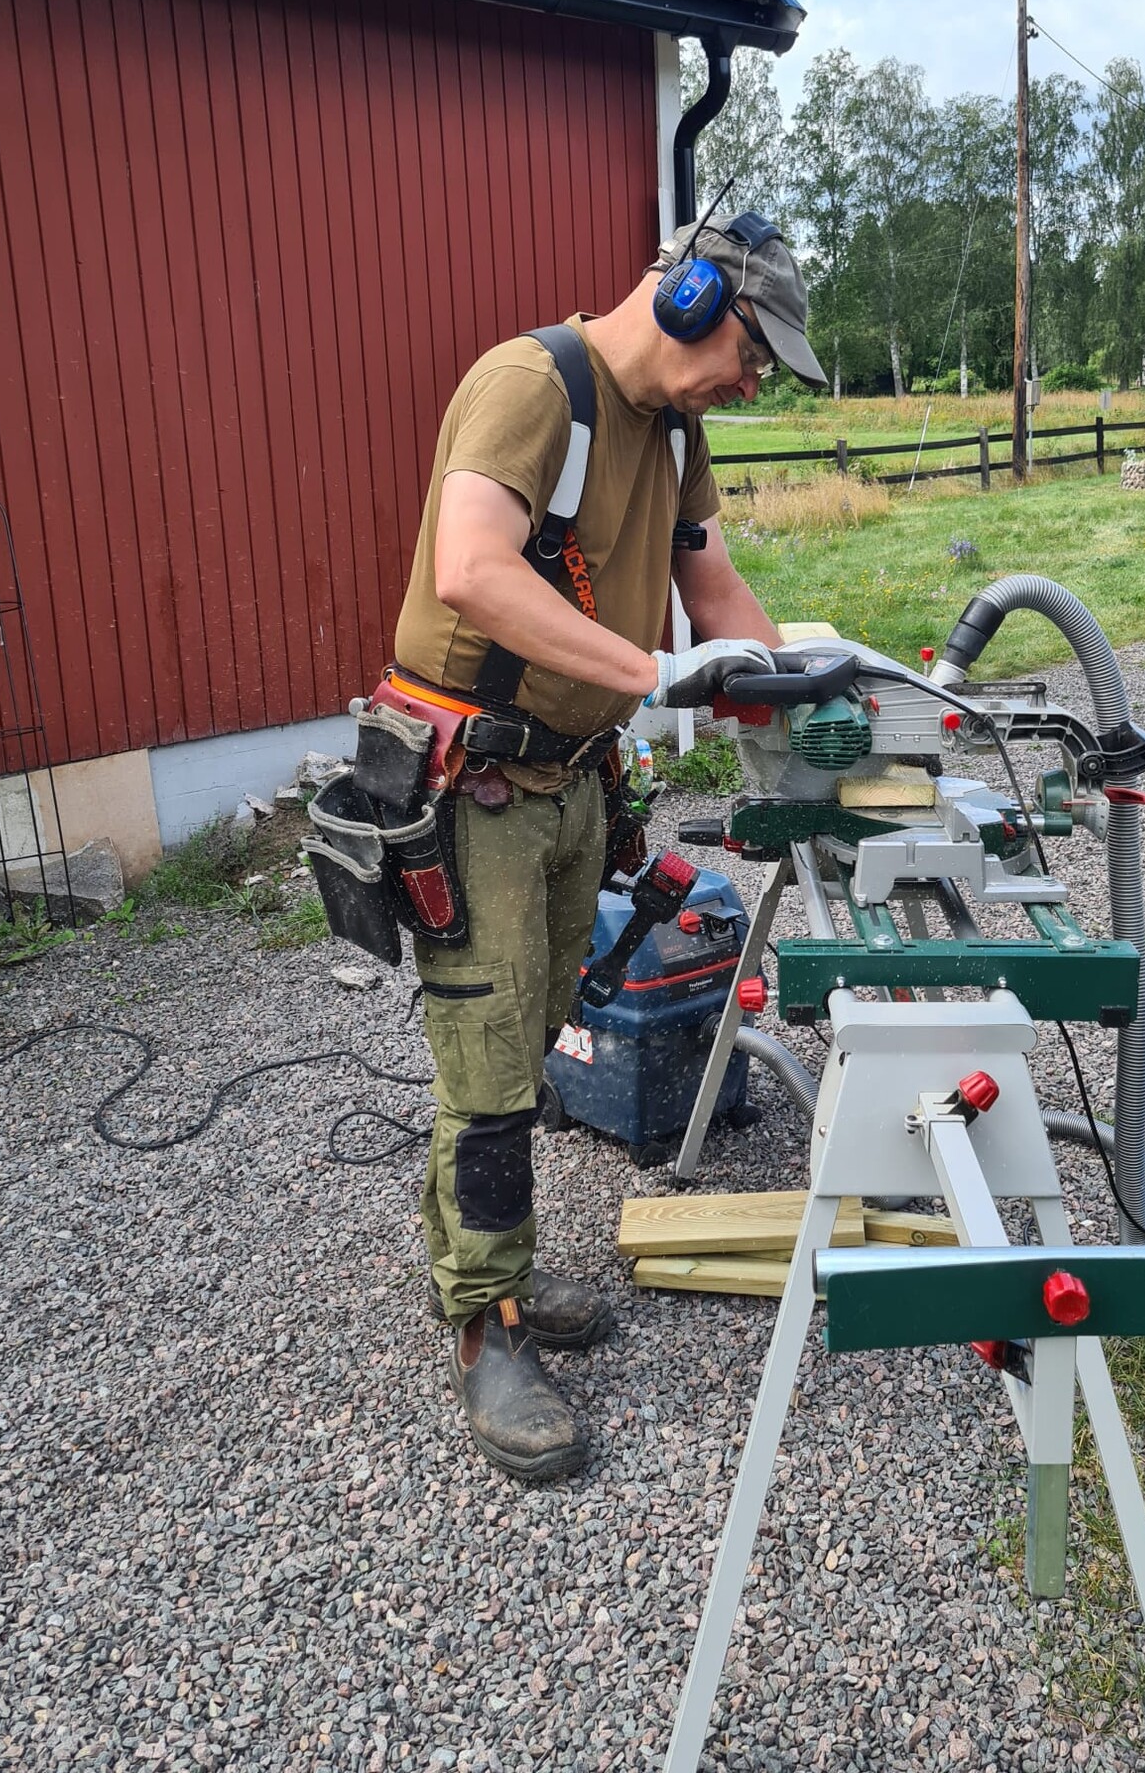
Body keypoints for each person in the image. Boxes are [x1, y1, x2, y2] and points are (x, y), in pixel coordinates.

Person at [390, 211, 827, 1482]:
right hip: (476, 782)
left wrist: (810, 690)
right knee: (487, 1055)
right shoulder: (532, 385)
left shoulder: (675, 429)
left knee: (528, 1040)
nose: (752, 382)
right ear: (691, 295)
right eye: (752, 350)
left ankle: (482, 1274)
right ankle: (486, 1323)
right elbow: (473, 568)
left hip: (576, 778)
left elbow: (715, 590)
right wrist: (652, 674)